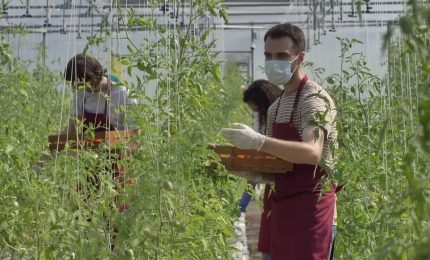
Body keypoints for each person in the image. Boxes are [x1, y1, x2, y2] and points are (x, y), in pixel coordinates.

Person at [221, 23, 338, 260]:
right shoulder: (276, 107)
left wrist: (258, 141)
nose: (273, 62)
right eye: (269, 56)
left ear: (299, 57)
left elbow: (311, 153)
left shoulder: (313, 99)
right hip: (283, 207)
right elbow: (280, 166)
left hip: (312, 210)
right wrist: (244, 169)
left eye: (282, 56)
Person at [239, 80, 282, 259]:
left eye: (255, 108)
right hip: (274, 181)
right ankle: (241, 205)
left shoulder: (281, 114)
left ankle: (241, 205)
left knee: (277, 235)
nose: (256, 113)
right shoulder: (274, 113)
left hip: (281, 181)